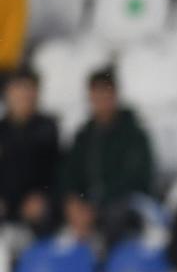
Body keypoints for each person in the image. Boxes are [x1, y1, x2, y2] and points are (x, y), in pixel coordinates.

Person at [59, 68, 155, 236]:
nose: (102, 100)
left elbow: (137, 179)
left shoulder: (133, 134)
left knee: (115, 216)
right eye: (97, 95)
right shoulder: (84, 136)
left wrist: (96, 206)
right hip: (90, 206)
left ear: (116, 96)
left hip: (123, 205)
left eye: (106, 94)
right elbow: (70, 173)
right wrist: (73, 201)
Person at [0, 69, 60, 237]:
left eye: (29, 89)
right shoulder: (2, 130)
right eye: (19, 89)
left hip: (37, 211)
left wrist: (43, 197)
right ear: (8, 93)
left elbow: (56, 172)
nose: (24, 95)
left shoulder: (47, 128)